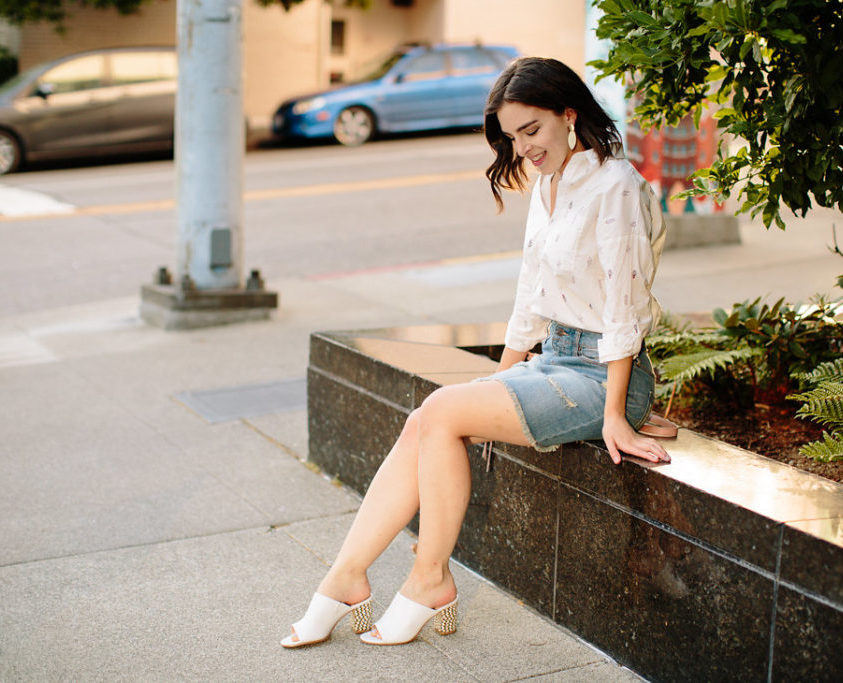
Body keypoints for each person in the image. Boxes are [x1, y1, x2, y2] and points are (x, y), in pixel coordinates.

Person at [280, 56, 670, 649]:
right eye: (512, 138)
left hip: (602, 375)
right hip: (557, 359)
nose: (523, 149)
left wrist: (617, 412)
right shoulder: (548, 183)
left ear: (569, 114)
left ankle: (427, 578)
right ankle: (349, 575)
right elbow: (529, 300)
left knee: (439, 413)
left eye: (531, 131)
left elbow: (622, 309)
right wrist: (496, 388)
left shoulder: (614, 184)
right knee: (430, 418)